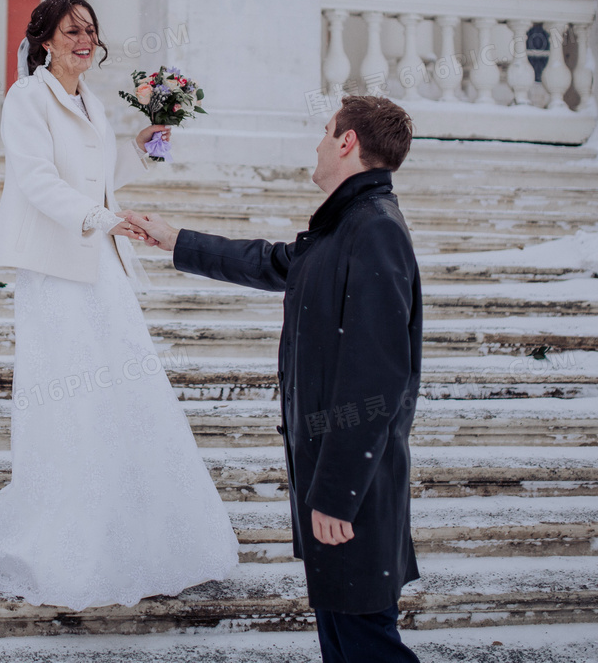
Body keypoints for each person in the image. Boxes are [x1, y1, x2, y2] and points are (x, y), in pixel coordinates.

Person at [0, 0, 239, 611]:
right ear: (44, 40)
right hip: (55, 267)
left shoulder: (90, 98)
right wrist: (99, 218)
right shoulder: (26, 98)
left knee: (121, 387)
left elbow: (102, 173)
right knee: (70, 391)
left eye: (89, 30)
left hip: (101, 265)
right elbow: (36, 180)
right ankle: (65, 530)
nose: (83, 41)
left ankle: (135, 528)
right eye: (70, 32)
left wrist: (146, 146)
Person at [126, 96, 423, 662]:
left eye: (325, 131)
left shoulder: (374, 230)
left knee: (366, 646)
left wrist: (336, 497)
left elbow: (377, 382)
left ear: (347, 143)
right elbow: (272, 262)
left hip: (352, 494)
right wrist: (175, 239)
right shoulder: (344, 227)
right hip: (337, 489)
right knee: (345, 644)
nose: (316, 142)